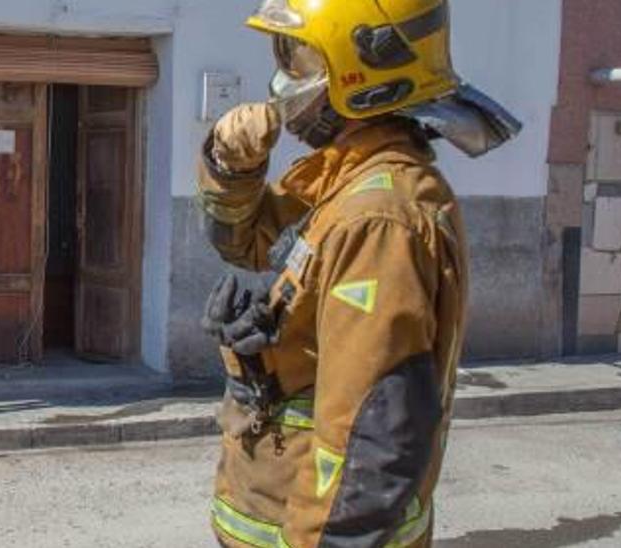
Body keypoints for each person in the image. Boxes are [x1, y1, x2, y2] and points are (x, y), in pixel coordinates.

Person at [198, 1, 520, 546]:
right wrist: (232, 166)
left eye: (299, 59)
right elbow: (246, 244)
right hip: (276, 504)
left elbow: (368, 441)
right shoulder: (343, 182)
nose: (282, 81)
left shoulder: (380, 219)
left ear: (364, 70)